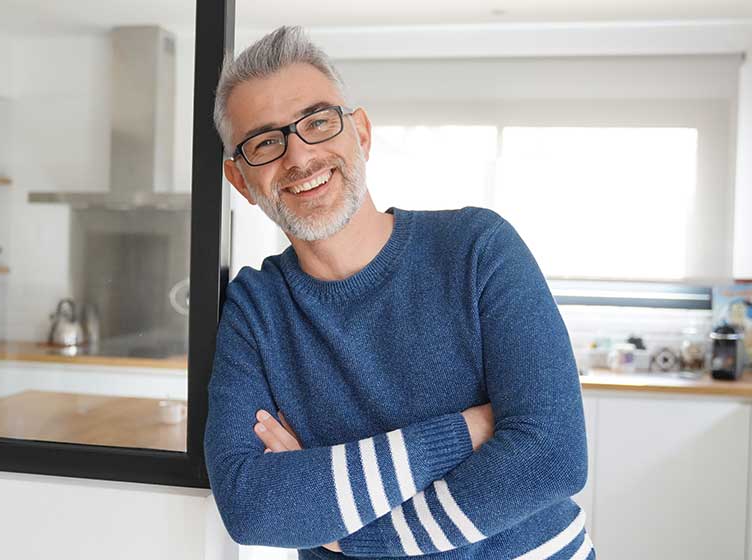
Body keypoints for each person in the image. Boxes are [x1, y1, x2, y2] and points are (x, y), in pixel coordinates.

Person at [204, 26, 594, 559]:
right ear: (241, 180)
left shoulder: (477, 248)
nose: (299, 157)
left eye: (318, 121)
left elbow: (551, 457)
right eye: (266, 142)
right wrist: (468, 428)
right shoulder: (255, 311)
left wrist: (350, 536)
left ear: (360, 134)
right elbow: (254, 507)